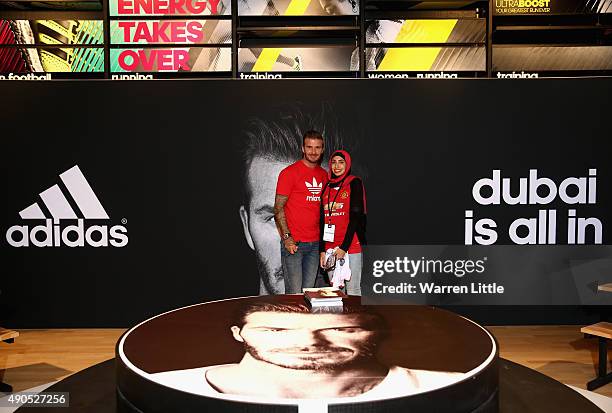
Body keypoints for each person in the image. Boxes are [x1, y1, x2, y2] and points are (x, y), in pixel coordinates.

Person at [147, 303, 464, 400]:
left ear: (379, 333)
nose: (309, 343)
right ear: (237, 334)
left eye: (341, 329)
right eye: (275, 330)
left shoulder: (447, 387)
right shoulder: (166, 388)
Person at [274, 130, 328, 293]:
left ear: (322, 149)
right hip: (294, 245)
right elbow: (278, 208)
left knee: (310, 293)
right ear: (302, 148)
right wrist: (287, 238)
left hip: (315, 245)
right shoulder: (289, 173)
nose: (313, 151)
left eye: (317, 147)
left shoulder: (324, 175)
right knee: (294, 296)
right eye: (309, 147)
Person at [319, 150, 366, 295]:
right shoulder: (326, 187)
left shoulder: (354, 183)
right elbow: (322, 221)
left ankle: (356, 319)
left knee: (353, 291)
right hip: (330, 249)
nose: (337, 166)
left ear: (347, 164)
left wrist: (344, 248)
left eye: (341, 162)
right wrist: (322, 250)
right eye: (333, 162)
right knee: (336, 292)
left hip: (350, 246)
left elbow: (356, 217)